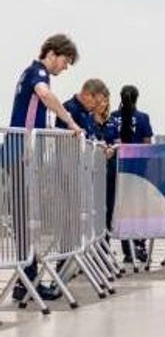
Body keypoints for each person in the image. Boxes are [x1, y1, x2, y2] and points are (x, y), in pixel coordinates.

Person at [7, 34, 81, 302]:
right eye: (65, 61)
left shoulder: (30, 72)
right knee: (22, 219)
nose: (65, 68)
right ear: (53, 53)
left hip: (22, 154)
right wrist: (70, 121)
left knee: (25, 220)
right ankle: (26, 281)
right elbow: (45, 95)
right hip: (20, 155)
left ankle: (26, 281)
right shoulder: (37, 72)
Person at [111, 85, 154, 262]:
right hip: (138, 170)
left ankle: (128, 250)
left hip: (117, 169)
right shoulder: (143, 118)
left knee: (121, 209)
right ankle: (139, 245)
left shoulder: (113, 117)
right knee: (138, 210)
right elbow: (147, 144)